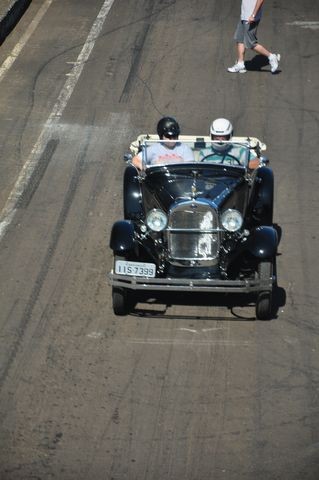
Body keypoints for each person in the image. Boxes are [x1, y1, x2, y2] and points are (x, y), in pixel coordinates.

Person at [228, 0, 280, 74]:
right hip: (244, 15)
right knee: (240, 39)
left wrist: (253, 15)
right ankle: (240, 64)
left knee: (250, 44)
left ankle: (271, 57)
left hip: (251, 17)